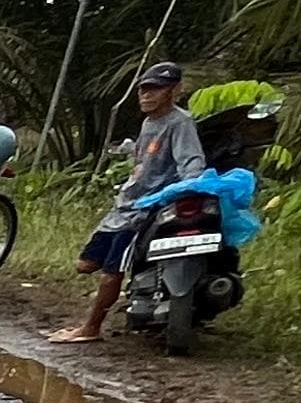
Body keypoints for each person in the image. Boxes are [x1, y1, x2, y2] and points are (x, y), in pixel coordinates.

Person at [50, 62, 206, 346]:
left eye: (155, 89)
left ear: (174, 91)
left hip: (147, 211)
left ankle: (91, 327)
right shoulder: (149, 124)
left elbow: (192, 163)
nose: (146, 96)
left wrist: (185, 188)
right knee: (85, 264)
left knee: (112, 273)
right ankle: (139, 292)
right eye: (143, 90)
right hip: (125, 205)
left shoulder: (179, 123)